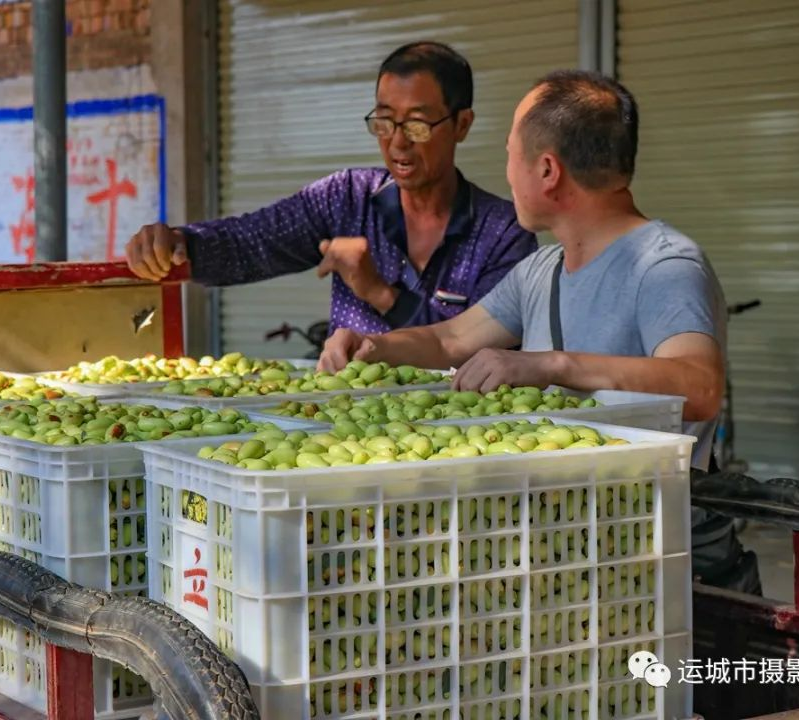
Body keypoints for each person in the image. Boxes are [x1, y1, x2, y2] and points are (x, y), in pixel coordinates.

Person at [319, 69, 761, 595]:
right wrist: (372, 346)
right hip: (569, 547)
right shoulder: (542, 270)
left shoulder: (664, 264)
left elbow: (699, 386)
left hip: (652, 560)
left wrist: (550, 365)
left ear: (547, 170)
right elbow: (450, 340)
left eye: (511, 154)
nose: (506, 174)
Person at [124, 41, 537, 335]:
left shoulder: (504, 234)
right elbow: (250, 243)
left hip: (459, 438)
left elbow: (479, 349)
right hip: (346, 434)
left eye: (417, 123)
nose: (397, 141)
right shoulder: (346, 198)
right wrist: (177, 243)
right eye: (384, 120)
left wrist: (379, 293)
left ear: (461, 124)